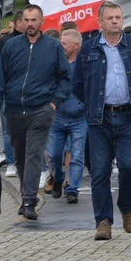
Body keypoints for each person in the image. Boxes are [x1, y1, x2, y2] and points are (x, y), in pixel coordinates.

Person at [73, 1, 131, 240]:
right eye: (110, 18)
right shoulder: (88, 50)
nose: (115, 21)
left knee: (130, 166)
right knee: (100, 171)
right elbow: (77, 84)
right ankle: (103, 221)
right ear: (100, 22)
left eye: (118, 17)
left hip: (129, 116)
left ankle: (127, 208)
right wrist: (92, 105)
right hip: (100, 118)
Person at [0, 5, 70, 221]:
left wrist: (53, 103)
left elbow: (64, 77)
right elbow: (0, 78)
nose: (30, 24)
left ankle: (29, 200)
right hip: (14, 111)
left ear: (42, 22)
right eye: (26, 20)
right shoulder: (11, 46)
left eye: (34, 20)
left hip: (40, 110)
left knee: (34, 153)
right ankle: (26, 195)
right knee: (22, 156)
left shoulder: (52, 46)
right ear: (21, 22)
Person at [47, 30, 88, 203]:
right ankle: (58, 177)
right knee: (54, 155)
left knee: (77, 155)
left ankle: (73, 189)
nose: (60, 46)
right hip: (57, 117)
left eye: (64, 43)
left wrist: (84, 105)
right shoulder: (54, 63)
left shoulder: (84, 65)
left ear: (76, 46)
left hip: (79, 118)